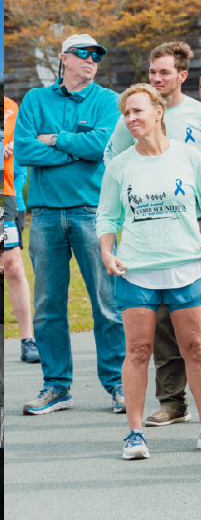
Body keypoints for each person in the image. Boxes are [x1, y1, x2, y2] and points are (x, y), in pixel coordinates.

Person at [104, 41, 201, 429]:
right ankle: (171, 400)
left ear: (182, 76)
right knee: (157, 325)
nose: (157, 78)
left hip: (196, 226)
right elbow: (111, 161)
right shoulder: (128, 116)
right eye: (152, 72)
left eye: (164, 72)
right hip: (146, 228)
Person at [15, 33, 125, 415]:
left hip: (92, 212)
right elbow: (26, 149)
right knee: (47, 306)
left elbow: (101, 147)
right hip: (44, 215)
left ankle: (118, 385)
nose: (91, 59)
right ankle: (56, 386)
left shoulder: (108, 100)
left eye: (96, 54)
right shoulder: (35, 99)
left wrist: (55, 140)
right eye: (83, 53)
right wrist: (75, 146)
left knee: (107, 302)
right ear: (64, 58)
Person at [3, 95, 39, 363]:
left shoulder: (11, 107)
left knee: (12, 265)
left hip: (6, 196)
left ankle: (28, 339)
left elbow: (23, 149)